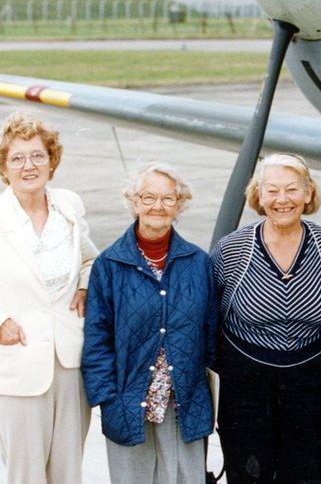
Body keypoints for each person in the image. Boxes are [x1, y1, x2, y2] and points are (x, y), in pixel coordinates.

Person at [82, 163, 218, 483]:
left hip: (183, 403)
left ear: (180, 204)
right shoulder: (109, 264)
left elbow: (211, 334)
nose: (158, 206)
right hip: (129, 403)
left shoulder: (199, 263)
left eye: (168, 199)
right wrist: (109, 400)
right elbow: (96, 341)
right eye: (149, 197)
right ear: (134, 201)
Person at [212, 153, 321, 482]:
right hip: (246, 391)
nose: (282, 200)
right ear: (258, 195)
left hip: (310, 389)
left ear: (309, 193)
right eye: (271, 190)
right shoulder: (232, 250)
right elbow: (209, 316)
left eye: (292, 189)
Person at [0, 111, 98, 484]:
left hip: (69, 361)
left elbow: (90, 258)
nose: (28, 166)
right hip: (17, 363)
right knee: (26, 475)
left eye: (37, 155)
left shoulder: (68, 205)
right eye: (17, 158)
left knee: (68, 472)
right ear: (4, 166)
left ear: (52, 160)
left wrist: (84, 283)